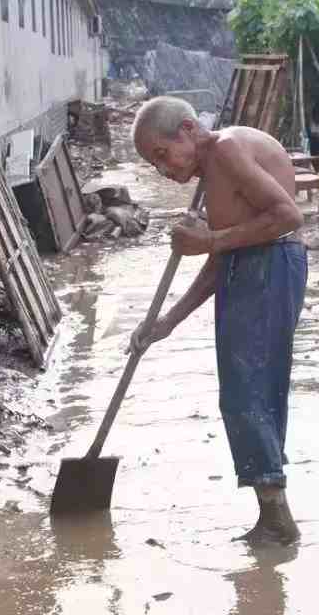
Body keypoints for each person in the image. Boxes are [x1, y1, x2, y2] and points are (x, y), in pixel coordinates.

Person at [129, 96, 308, 544]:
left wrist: (210, 240)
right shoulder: (211, 171)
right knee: (245, 391)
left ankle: (277, 519)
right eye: (154, 163)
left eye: (162, 154)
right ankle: (271, 513)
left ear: (188, 129)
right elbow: (221, 257)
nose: (163, 169)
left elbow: (288, 217)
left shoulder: (227, 149)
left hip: (270, 265)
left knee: (249, 391)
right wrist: (167, 321)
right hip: (250, 265)